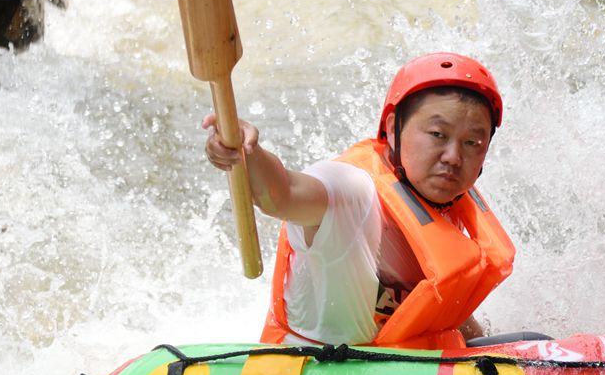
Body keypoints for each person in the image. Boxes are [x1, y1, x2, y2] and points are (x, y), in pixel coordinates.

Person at [204, 53, 515, 349]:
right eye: (437, 134)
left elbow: (435, 308)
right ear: (394, 128)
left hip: (397, 370)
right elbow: (281, 193)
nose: (453, 157)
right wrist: (249, 154)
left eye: (473, 142)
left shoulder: (446, 204)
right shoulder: (352, 192)